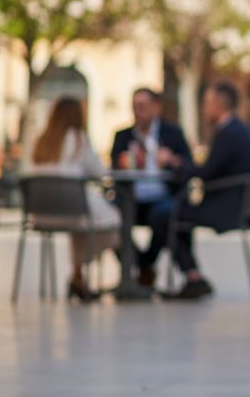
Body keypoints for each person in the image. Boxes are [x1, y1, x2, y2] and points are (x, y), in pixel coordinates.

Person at [157, 81, 250, 300]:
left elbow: (206, 173)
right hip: (244, 204)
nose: (204, 109)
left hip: (229, 208)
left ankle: (191, 276)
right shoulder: (242, 129)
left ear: (218, 105)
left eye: (206, 103)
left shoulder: (228, 133)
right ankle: (188, 274)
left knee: (168, 214)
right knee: (175, 211)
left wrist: (174, 163)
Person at [29, 97, 120, 301]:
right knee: (109, 224)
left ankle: (77, 277)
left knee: (80, 226)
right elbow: (101, 173)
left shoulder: (41, 141)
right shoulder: (78, 139)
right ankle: (81, 274)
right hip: (73, 207)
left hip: (41, 214)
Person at [110, 87, 193, 288]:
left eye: (143, 107)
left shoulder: (172, 133)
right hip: (130, 196)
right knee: (109, 217)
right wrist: (123, 163)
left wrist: (172, 161)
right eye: (135, 107)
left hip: (162, 195)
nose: (138, 112)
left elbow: (190, 167)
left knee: (164, 215)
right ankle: (141, 267)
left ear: (156, 107)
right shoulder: (123, 136)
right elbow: (113, 172)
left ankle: (145, 265)